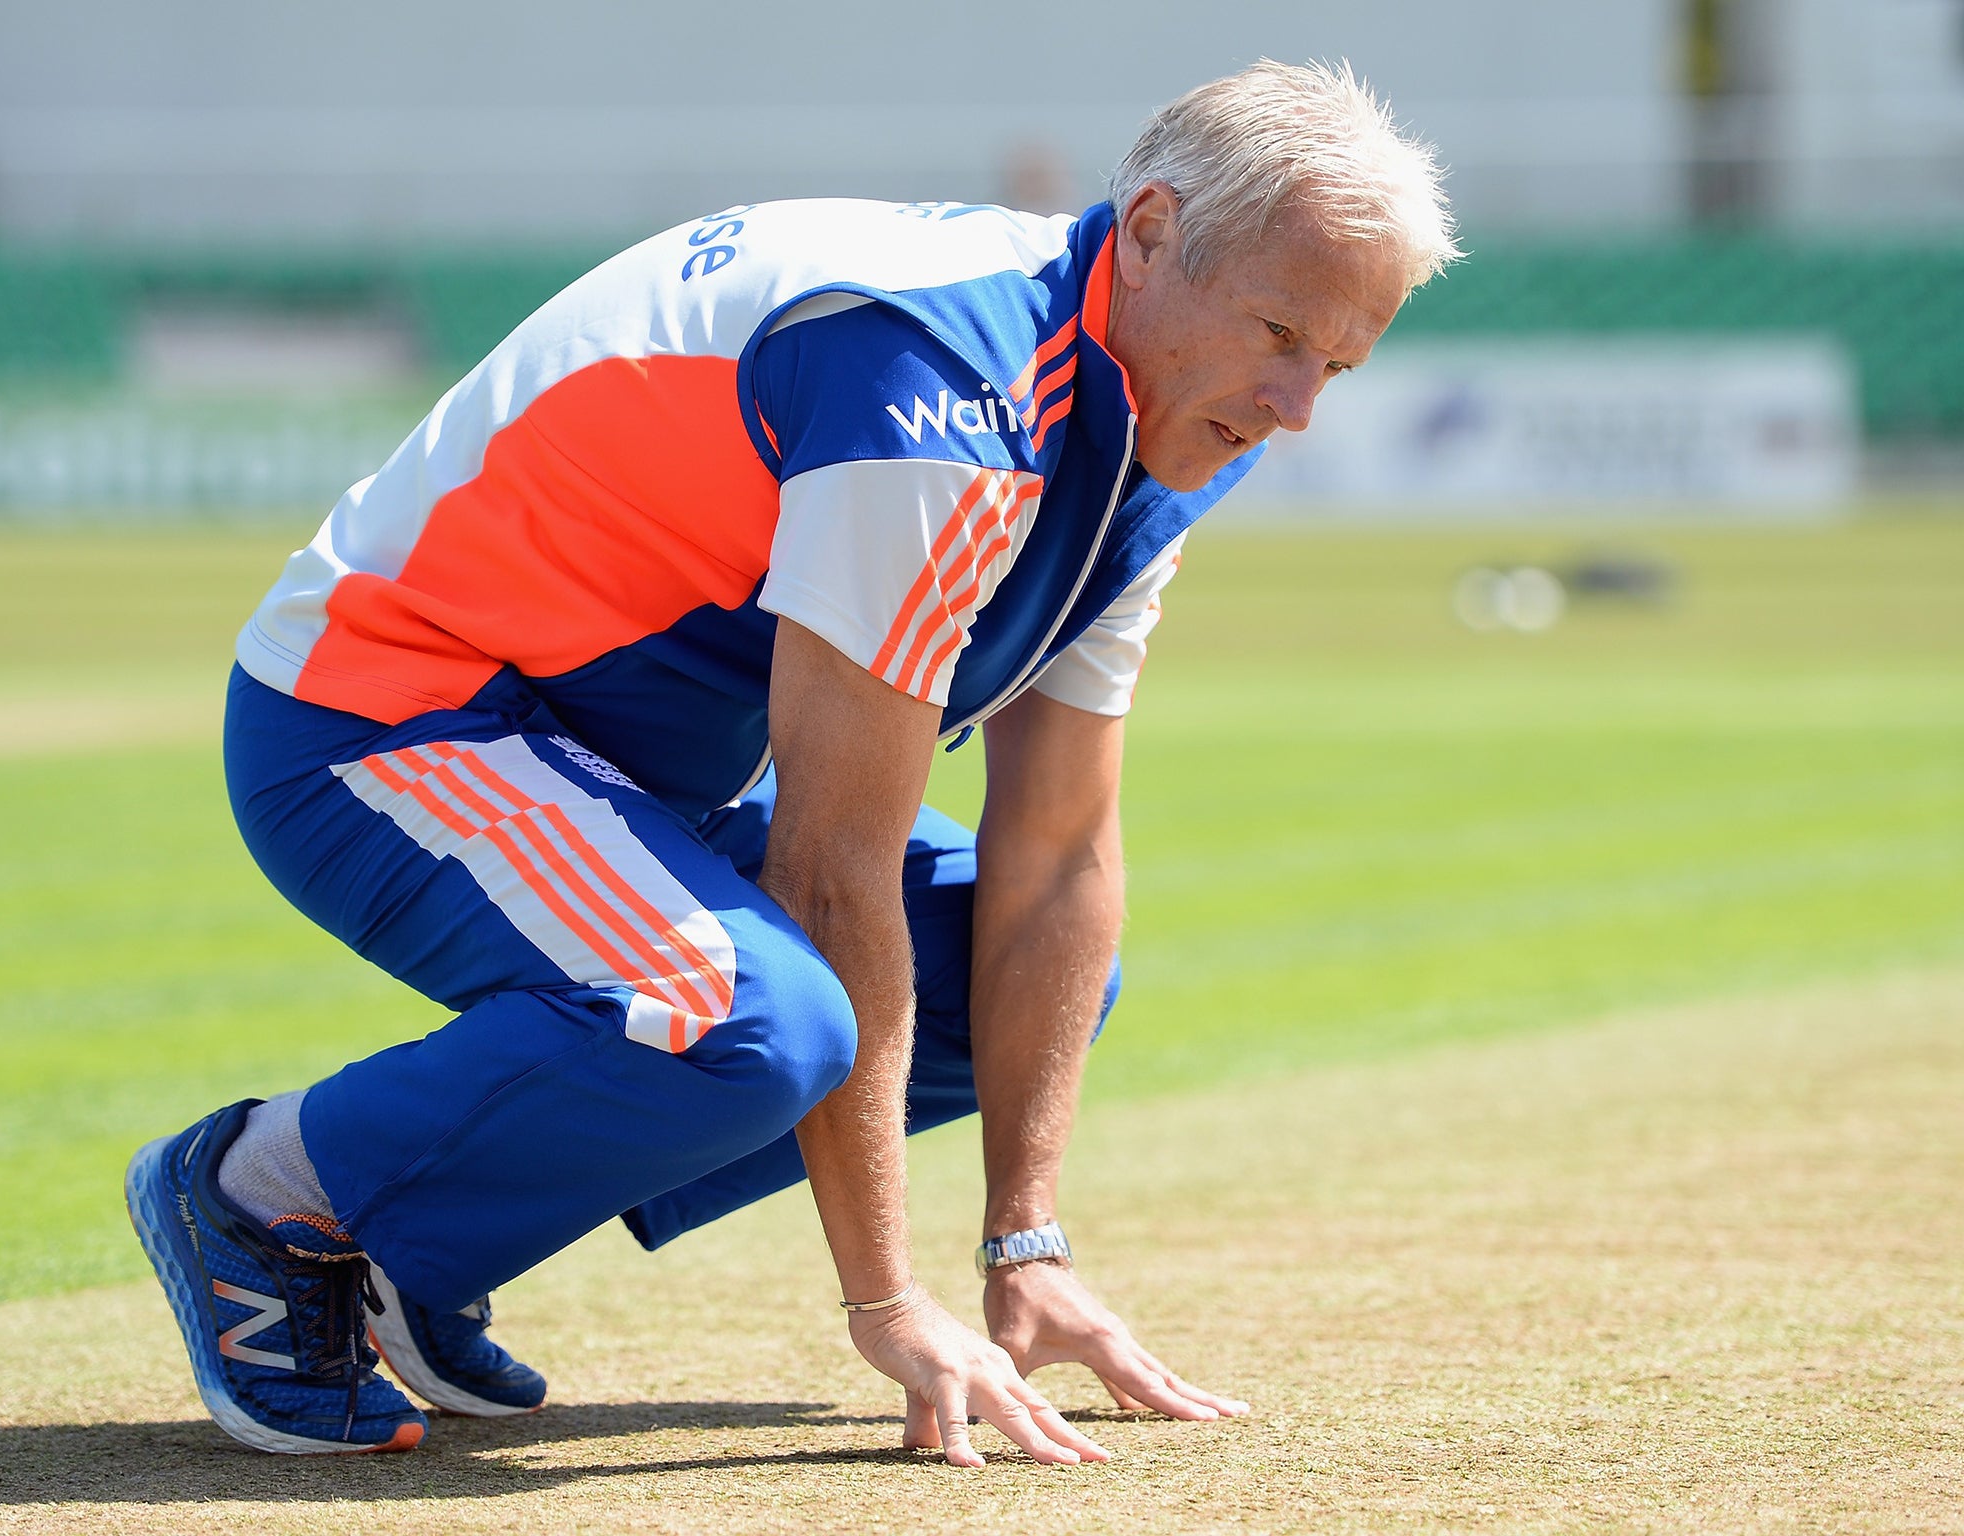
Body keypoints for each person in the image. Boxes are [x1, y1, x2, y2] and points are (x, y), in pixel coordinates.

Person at [125, 58, 1457, 1467]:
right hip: (384, 713)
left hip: (610, 768)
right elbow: (832, 875)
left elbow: (1058, 851)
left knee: (996, 978)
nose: (1299, 405)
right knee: (755, 1016)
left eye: (1340, 364)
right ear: (1146, 232)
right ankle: (262, 1191)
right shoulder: (939, 386)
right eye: (1278, 333)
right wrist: (886, 1301)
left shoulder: (1153, 426)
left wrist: (1030, 1240)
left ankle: (407, 1251)